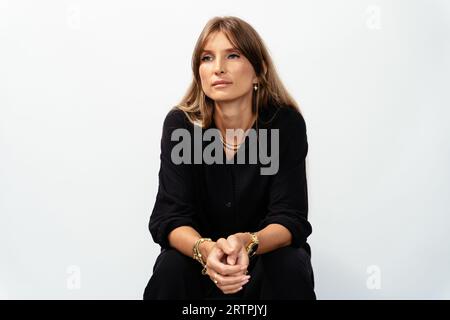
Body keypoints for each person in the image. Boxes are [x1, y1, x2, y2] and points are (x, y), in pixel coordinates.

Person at [143, 16, 316, 300]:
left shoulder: (285, 125)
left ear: (259, 70)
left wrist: (247, 243)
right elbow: (170, 217)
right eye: (207, 58)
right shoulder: (181, 126)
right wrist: (207, 250)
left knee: (289, 265)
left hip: (263, 260)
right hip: (197, 263)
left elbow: (291, 218)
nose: (218, 68)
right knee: (170, 268)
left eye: (233, 55)